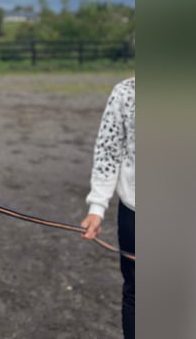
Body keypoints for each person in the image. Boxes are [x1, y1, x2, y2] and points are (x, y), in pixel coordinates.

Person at [80, 77, 135, 338]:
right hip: (136, 214)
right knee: (137, 291)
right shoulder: (125, 94)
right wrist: (97, 207)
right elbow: (108, 152)